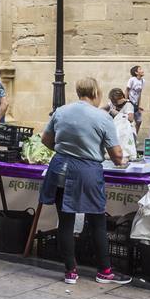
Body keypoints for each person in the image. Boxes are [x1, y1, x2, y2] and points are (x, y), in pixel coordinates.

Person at [39, 77, 133, 286]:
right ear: (96, 93)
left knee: (65, 222)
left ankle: (70, 271)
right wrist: (122, 159)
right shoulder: (102, 118)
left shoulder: (61, 111)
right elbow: (117, 156)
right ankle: (104, 271)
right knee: (97, 221)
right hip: (87, 171)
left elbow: (46, 139)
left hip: (60, 168)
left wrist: (64, 151)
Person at [125, 65, 145, 136]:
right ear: (136, 72)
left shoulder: (143, 81)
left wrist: (139, 105)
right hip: (130, 103)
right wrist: (126, 101)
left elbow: (139, 94)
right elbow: (127, 90)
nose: (142, 70)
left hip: (136, 104)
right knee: (130, 121)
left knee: (139, 121)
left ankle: (135, 135)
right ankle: (128, 136)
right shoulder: (132, 80)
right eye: (140, 69)